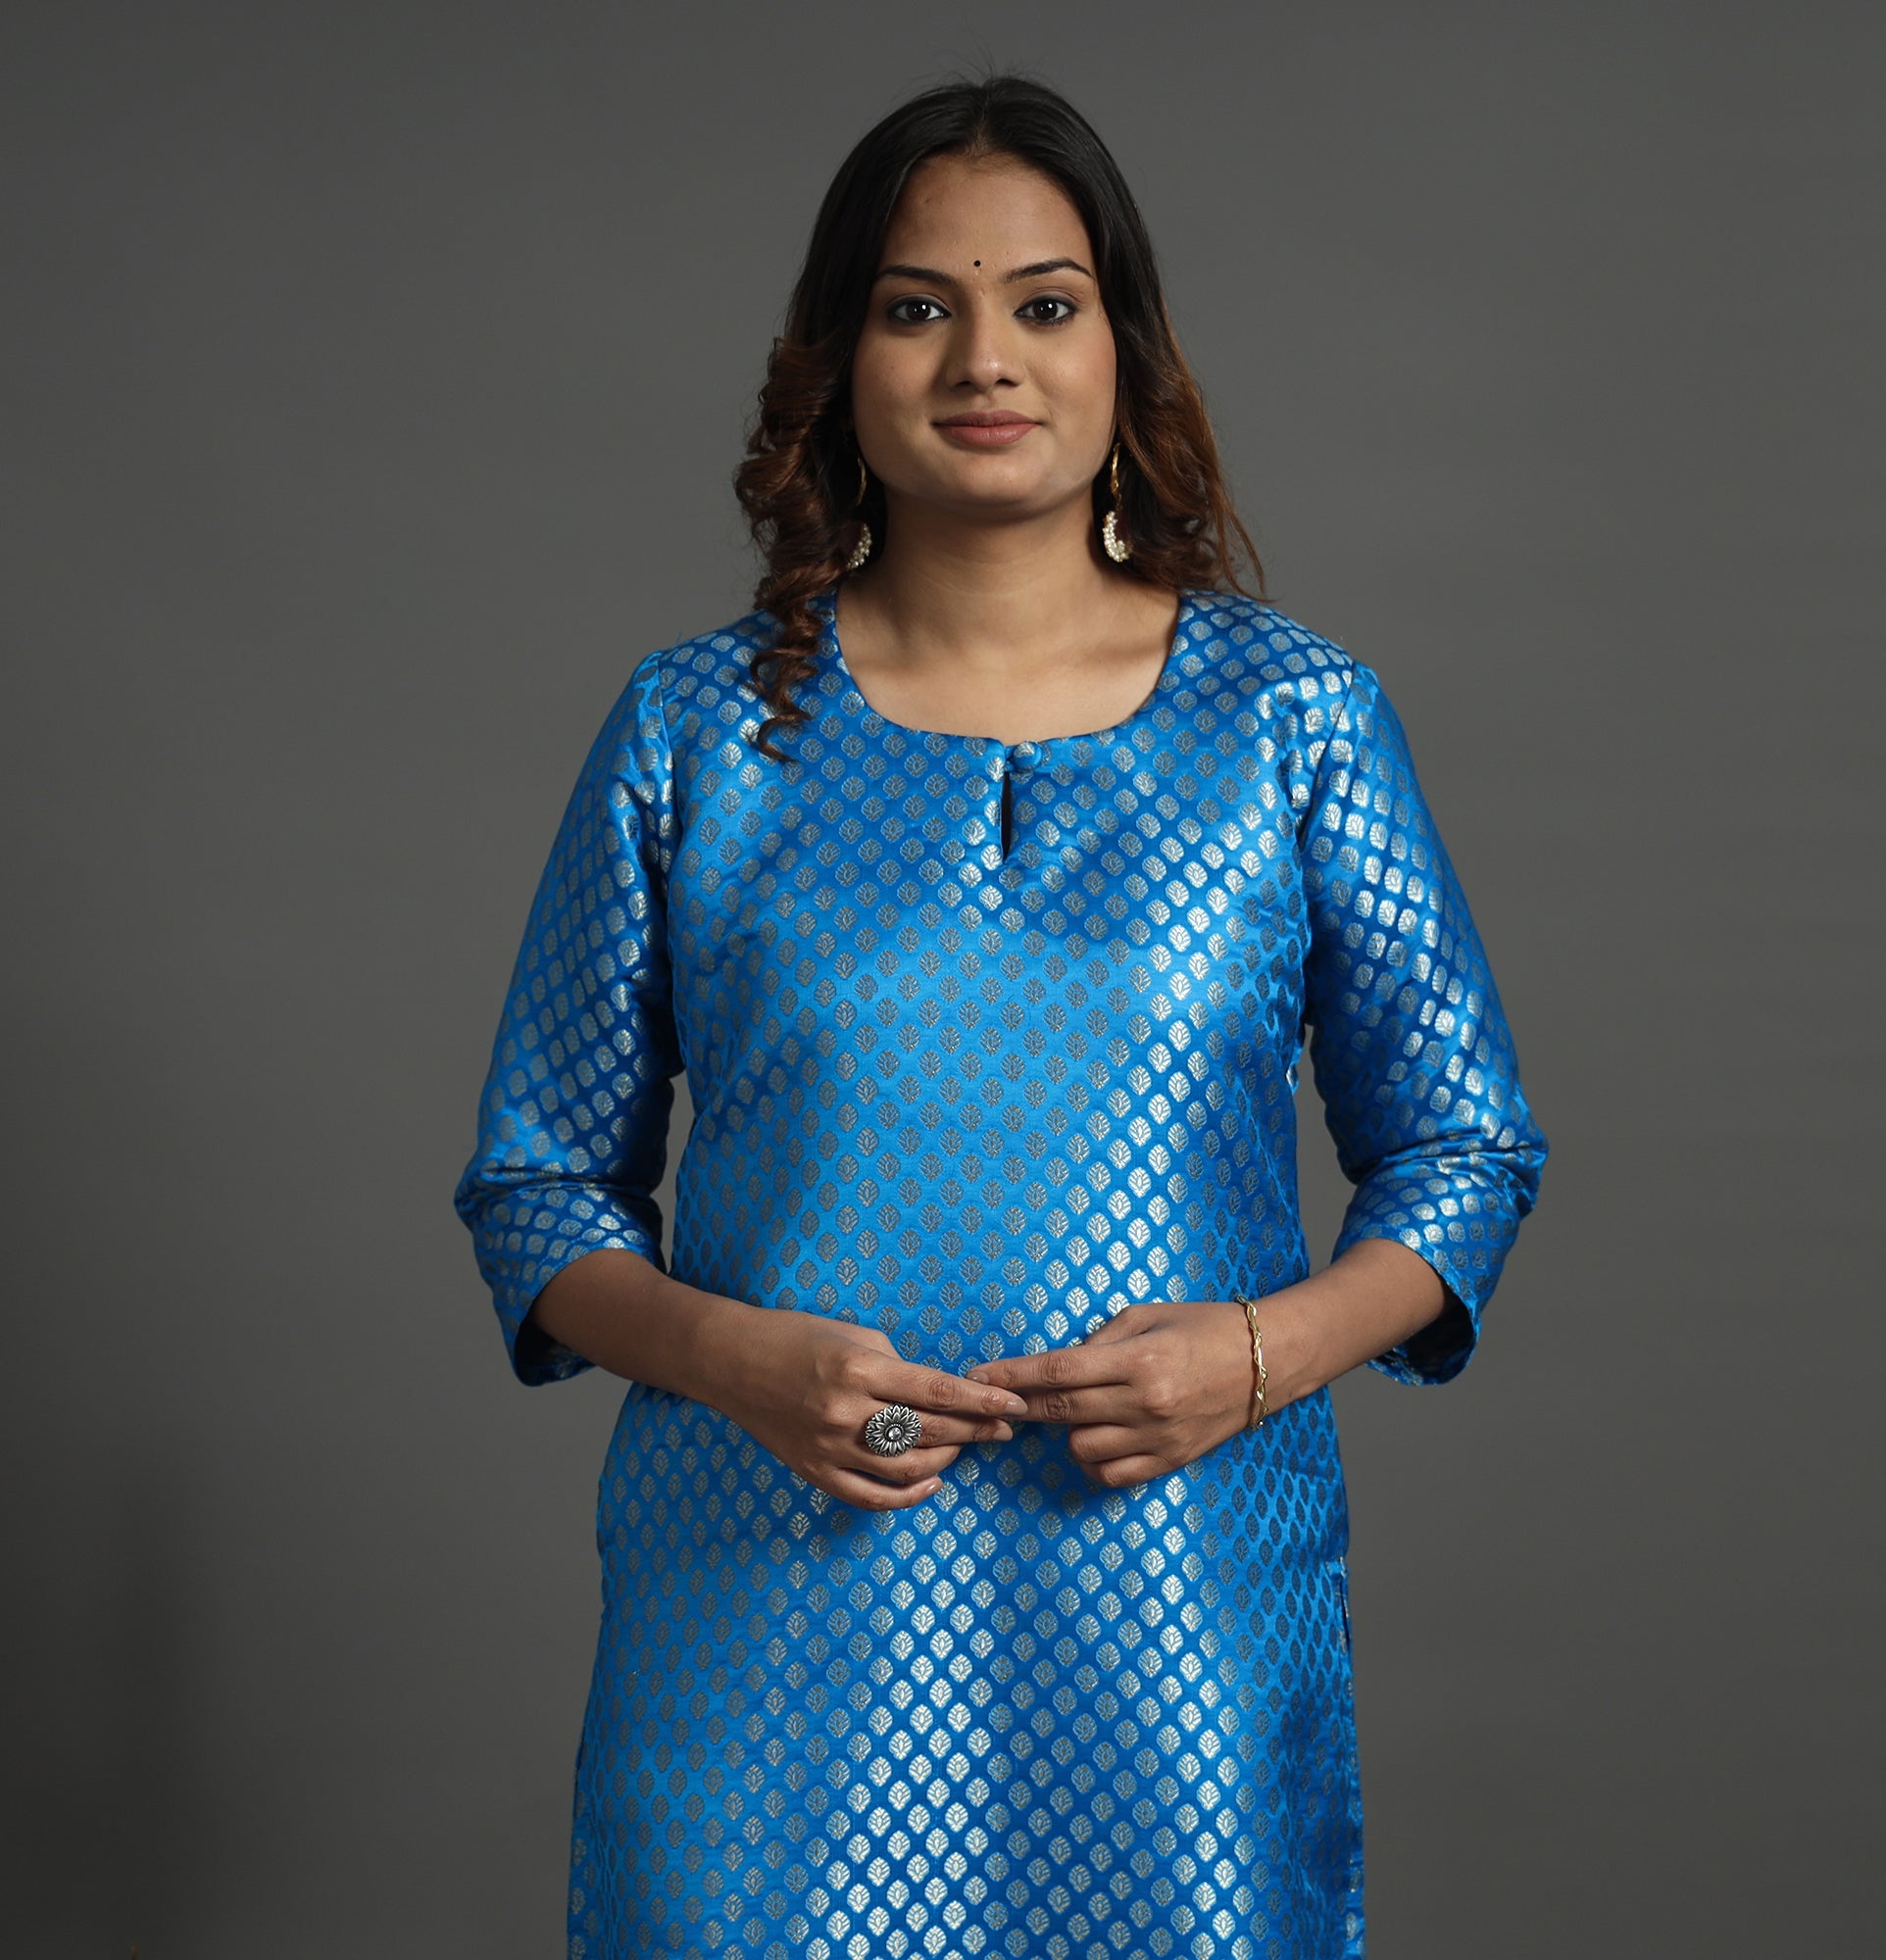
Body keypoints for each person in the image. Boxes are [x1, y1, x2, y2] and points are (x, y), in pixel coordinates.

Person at [455, 73, 1546, 1960]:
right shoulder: (697, 733)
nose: (985, 359)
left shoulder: (1293, 722)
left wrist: (1256, 1358)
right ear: (838, 364)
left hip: (1178, 1613)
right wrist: (737, 1363)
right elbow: (539, 1191)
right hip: (768, 1613)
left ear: (1126, 349)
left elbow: (1466, 1153)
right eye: (916, 307)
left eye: (1046, 302)